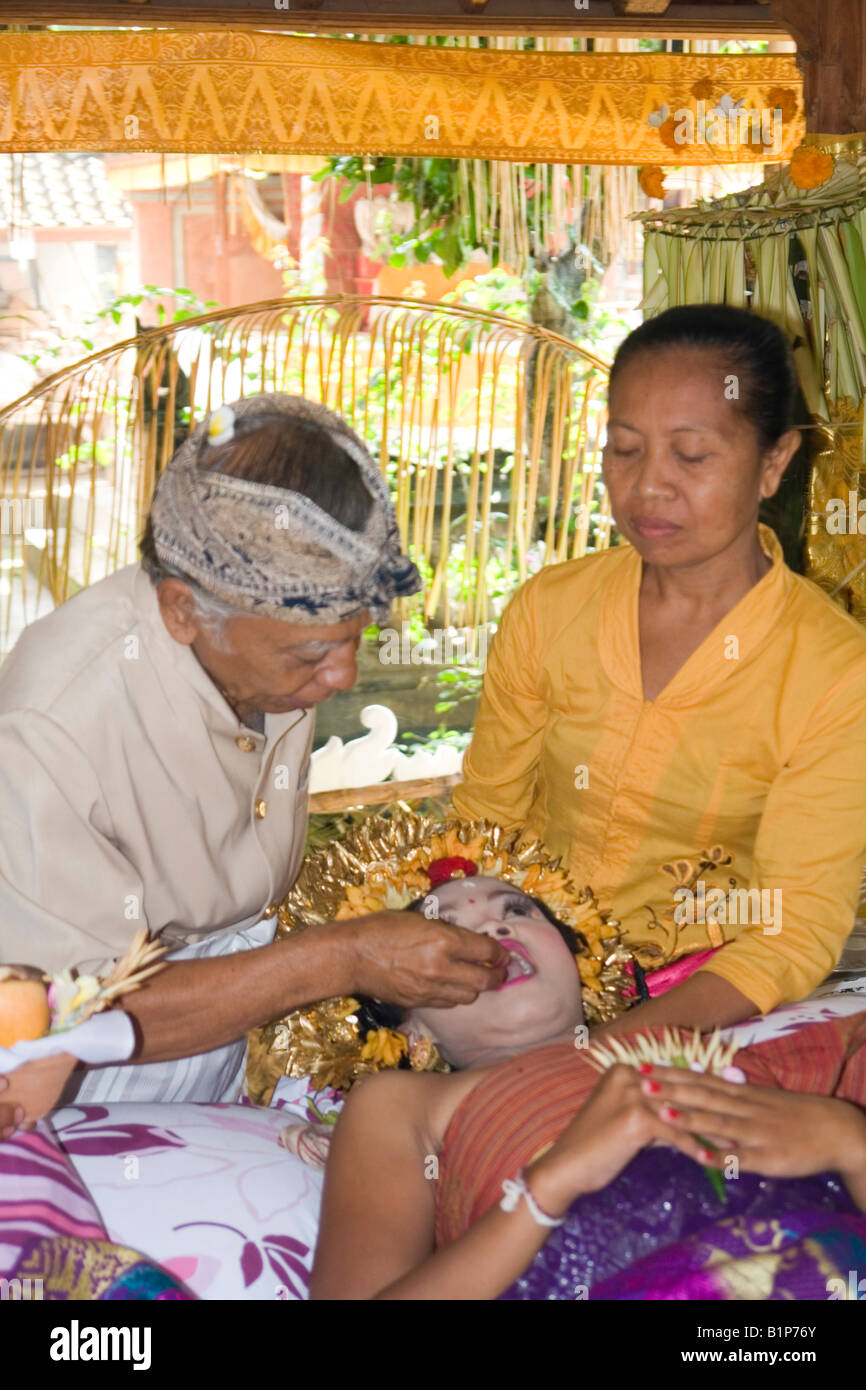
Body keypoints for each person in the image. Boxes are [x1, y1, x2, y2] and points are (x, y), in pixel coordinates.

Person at [0, 393, 505, 1110]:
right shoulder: (52, 728)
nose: (342, 678)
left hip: (213, 1042)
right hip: (73, 1087)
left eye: (353, 638)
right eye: (312, 654)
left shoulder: (265, 642)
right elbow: (70, 1020)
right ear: (182, 611)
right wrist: (346, 957)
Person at [452, 305, 866, 1035]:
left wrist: (603, 1050)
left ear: (774, 462)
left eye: (693, 456)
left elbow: (789, 930)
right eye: (624, 449)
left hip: (710, 1011)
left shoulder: (835, 673)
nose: (649, 487)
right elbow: (484, 827)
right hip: (520, 980)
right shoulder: (550, 611)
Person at [310, 870, 866, 1301]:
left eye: (520, 910)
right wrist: (548, 1186)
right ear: (413, 1030)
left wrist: (851, 1142)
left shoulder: (705, 1049)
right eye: (447, 928)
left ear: (580, 969)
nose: (494, 929)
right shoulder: (404, 1103)